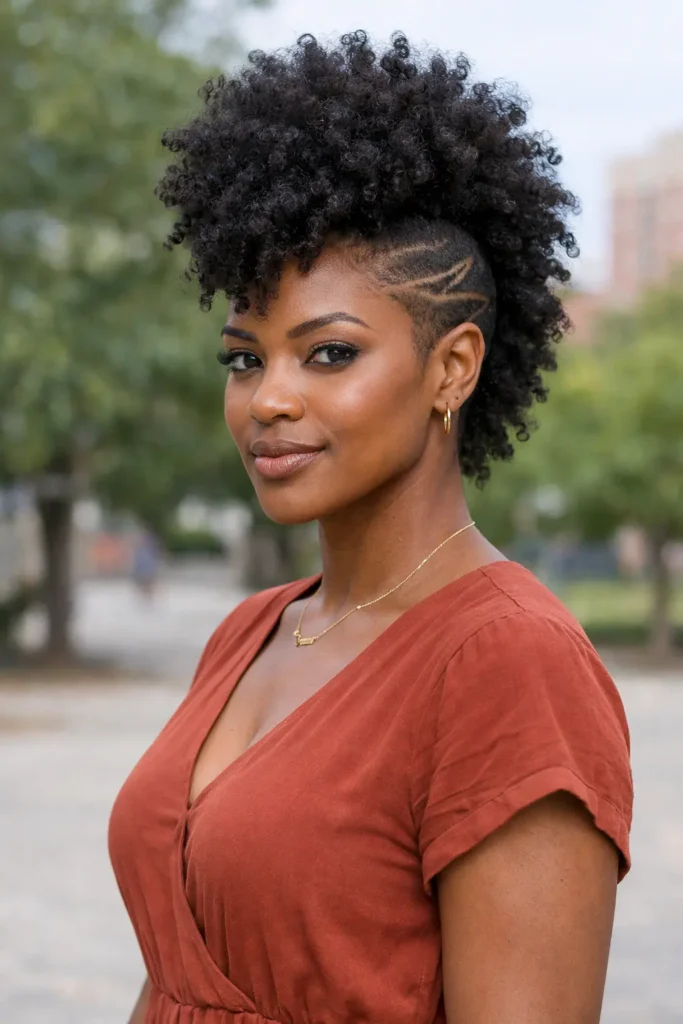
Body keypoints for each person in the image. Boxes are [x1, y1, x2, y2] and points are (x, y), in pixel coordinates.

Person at [109, 32, 633, 1024]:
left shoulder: (506, 664)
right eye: (242, 358)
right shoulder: (251, 630)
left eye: (327, 353)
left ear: (452, 367)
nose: (267, 399)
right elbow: (182, 975)